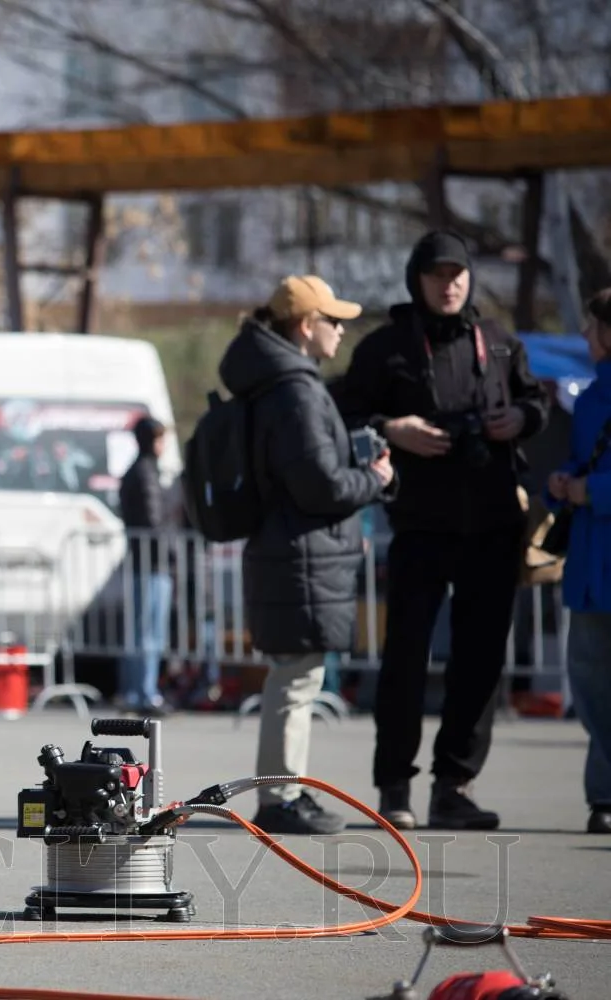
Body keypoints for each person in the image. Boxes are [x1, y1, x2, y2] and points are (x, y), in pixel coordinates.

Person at [338, 231, 548, 830]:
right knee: (405, 657)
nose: (450, 283)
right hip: (420, 525)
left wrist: (522, 418)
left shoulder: (501, 344)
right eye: (437, 274)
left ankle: (454, 785)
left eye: (458, 273)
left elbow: (539, 403)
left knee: (480, 661)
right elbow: (347, 414)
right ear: (417, 279)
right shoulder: (385, 348)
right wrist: (392, 427)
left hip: (492, 524)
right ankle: (395, 787)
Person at [219, 276, 395, 835]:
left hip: (291, 550)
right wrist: (375, 476)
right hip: (300, 554)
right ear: (305, 325)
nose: (342, 330)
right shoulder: (295, 390)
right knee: (296, 679)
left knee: (294, 676)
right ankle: (280, 799)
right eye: (333, 320)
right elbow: (319, 485)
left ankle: (285, 793)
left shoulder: (277, 384)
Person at [547, 289, 611, 834]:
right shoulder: (590, 399)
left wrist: (590, 491)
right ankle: (603, 797)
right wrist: (561, 484)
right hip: (589, 565)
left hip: (598, 551)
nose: (586, 337)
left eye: (593, 327)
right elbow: (576, 461)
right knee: (589, 682)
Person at [117, 416, 172, 714]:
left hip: (144, 562)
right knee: (149, 633)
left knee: (141, 632)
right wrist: (173, 549)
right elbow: (154, 522)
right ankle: (145, 693)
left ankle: (137, 691)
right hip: (152, 563)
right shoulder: (146, 473)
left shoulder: (136, 471)